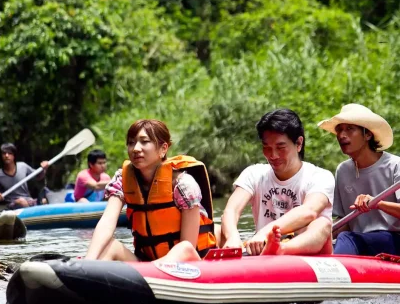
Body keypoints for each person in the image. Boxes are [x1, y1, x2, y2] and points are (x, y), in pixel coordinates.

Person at [85, 119, 217, 262]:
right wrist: (88, 261)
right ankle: (83, 272)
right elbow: (106, 223)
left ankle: (153, 273)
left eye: (144, 141)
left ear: (163, 148)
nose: (135, 148)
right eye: (131, 142)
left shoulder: (184, 185)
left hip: (186, 263)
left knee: (183, 248)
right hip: (146, 264)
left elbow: (188, 249)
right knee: (109, 246)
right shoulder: (122, 180)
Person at [218, 109, 335, 255]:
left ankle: (281, 249)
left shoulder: (321, 176)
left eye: (281, 147)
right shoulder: (254, 173)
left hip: (305, 252)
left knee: (322, 224)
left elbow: (309, 212)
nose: (273, 155)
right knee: (218, 230)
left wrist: (265, 233)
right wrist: (233, 237)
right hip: (264, 250)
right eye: (267, 148)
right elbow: (231, 211)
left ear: (298, 143)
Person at [318, 104, 400, 256]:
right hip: (360, 241)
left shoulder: (395, 165)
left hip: (394, 241)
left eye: (349, 129)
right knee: (332, 241)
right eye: (339, 129)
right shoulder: (343, 170)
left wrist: (378, 204)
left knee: (346, 239)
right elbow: (346, 222)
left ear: (367, 134)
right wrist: (316, 233)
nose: (342, 135)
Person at [0, 143, 49, 209]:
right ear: (1, 156)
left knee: (45, 201)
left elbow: (38, 177)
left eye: (9, 153)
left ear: (14, 155)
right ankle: (31, 213)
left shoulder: (23, 166)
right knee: (21, 201)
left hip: (28, 200)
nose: (7, 155)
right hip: (12, 203)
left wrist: (44, 169)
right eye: (4, 153)